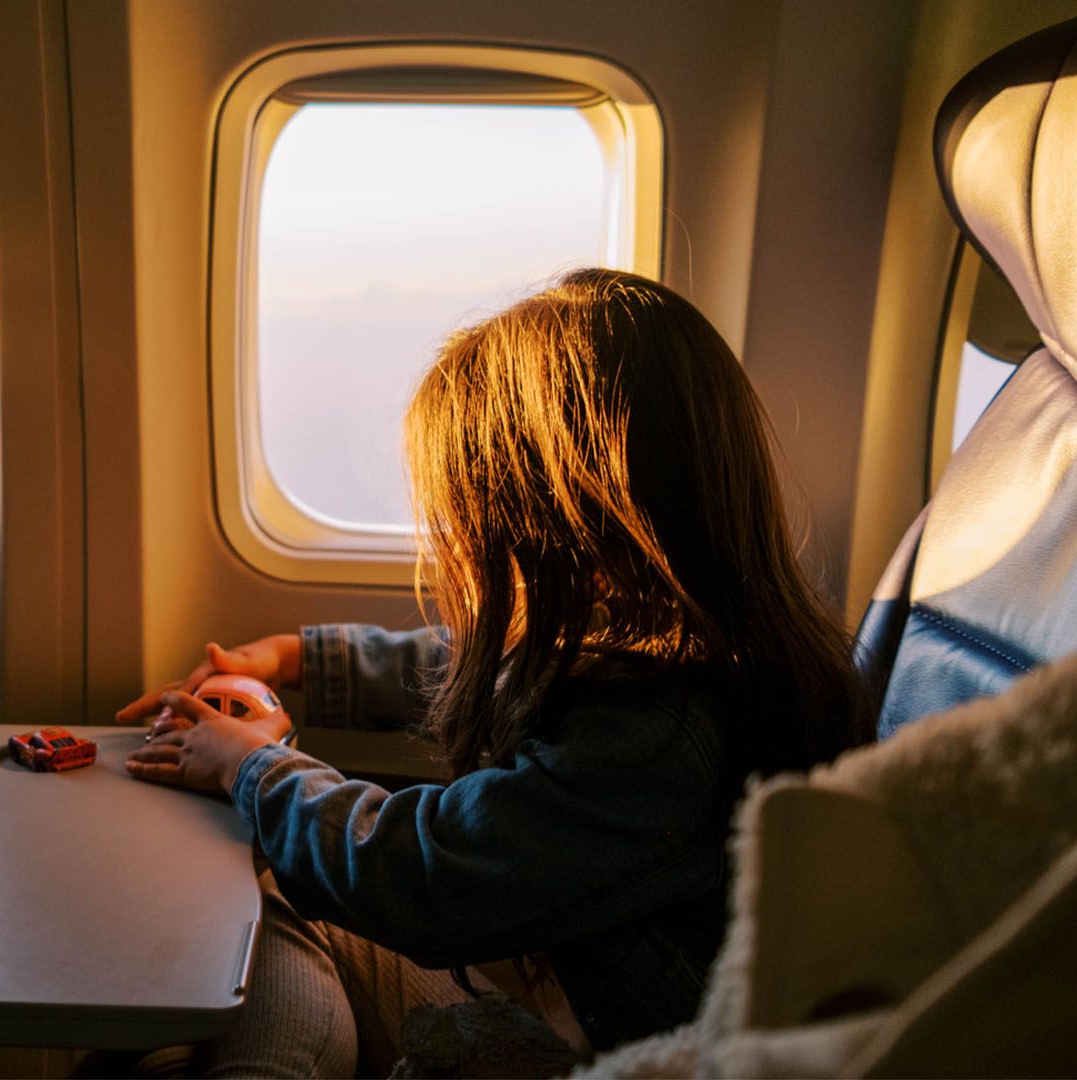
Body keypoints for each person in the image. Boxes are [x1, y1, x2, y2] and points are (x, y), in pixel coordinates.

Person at [115, 268, 873, 1076]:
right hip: (581, 1012)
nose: (448, 547)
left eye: (465, 520)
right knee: (268, 912)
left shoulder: (659, 735)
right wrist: (300, 659)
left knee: (281, 910)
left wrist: (249, 767)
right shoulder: (682, 646)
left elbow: (425, 873)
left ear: (553, 529)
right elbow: (488, 667)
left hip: (615, 1056)